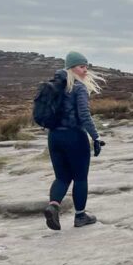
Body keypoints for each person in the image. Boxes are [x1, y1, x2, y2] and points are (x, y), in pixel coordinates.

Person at [43, 51, 105, 231]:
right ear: (71, 68)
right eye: (81, 66)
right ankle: (80, 216)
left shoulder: (54, 86)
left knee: (62, 177)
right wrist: (96, 137)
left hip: (54, 137)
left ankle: (53, 206)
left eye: (86, 66)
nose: (85, 70)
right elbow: (85, 116)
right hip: (74, 137)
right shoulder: (78, 87)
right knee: (79, 177)